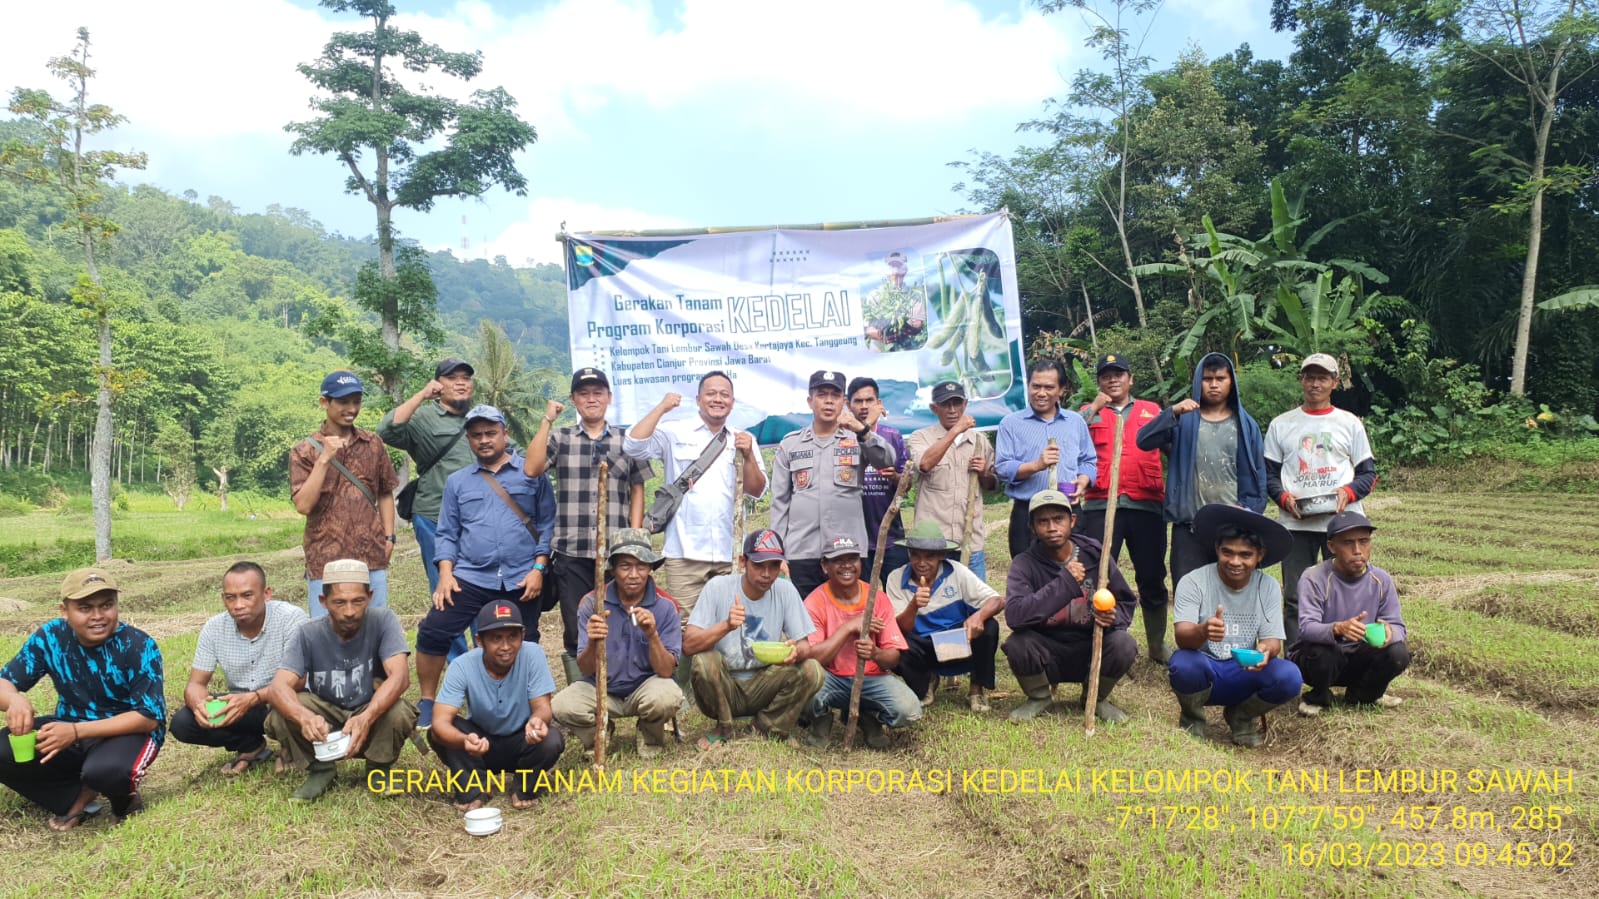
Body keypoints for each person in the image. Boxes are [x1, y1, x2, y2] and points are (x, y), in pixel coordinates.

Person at [421, 405, 555, 731]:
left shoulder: (532, 474)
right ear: (469, 439)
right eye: (476, 435)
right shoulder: (457, 482)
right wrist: (446, 574)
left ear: (504, 434)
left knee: (525, 642)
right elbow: (447, 533)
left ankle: (528, 706)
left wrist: (539, 568)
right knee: (433, 630)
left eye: (490, 433)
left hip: (521, 576)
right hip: (471, 575)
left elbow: (548, 523)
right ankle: (427, 702)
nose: (484, 440)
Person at [0, 568, 164, 830]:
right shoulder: (50, 637)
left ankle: (125, 801)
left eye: (107, 605)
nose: (98, 616)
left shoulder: (138, 645)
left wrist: (76, 731)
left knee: (108, 772)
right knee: (2, 748)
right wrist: (14, 700)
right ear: (64, 611)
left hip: (127, 732)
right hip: (70, 724)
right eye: (85, 608)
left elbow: (148, 718)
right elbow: (4, 682)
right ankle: (76, 796)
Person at [523, 367, 649, 683]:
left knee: (623, 621)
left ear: (609, 397)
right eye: (584, 393)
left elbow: (637, 487)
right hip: (572, 552)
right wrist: (547, 420)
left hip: (617, 554)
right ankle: (584, 698)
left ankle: (624, 687)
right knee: (576, 627)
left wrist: (633, 538)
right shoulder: (561, 438)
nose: (591, 399)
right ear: (574, 399)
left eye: (597, 393)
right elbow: (532, 467)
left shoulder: (627, 440)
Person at [263, 559, 418, 802]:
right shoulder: (308, 633)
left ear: (369, 596)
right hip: (328, 715)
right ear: (323, 602)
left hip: (369, 709)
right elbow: (278, 687)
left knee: (400, 710)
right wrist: (305, 718)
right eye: (339, 602)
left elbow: (400, 677)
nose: (349, 611)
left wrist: (366, 718)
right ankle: (320, 769)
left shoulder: (383, 620)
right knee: (280, 714)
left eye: (357, 601)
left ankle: (379, 768)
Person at [623, 371, 767, 617]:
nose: (718, 399)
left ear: (732, 402)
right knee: (685, 626)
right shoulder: (675, 432)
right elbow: (633, 445)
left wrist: (749, 455)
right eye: (711, 393)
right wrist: (662, 407)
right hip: (684, 553)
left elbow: (757, 490)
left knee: (728, 624)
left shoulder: (744, 439)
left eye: (724, 394)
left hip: (729, 553)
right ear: (699, 399)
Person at [1264, 353, 1377, 647]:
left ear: (1335, 382)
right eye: (1309, 377)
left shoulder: (1349, 423)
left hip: (1342, 526)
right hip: (1295, 523)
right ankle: (1297, 660)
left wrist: (1347, 493)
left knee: (1349, 592)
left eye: (1322, 378)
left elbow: (1368, 474)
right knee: (1294, 596)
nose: (1315, 383)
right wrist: (1284, 497)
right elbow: (1268, 475)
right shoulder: (1281, 424)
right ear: (1301, 380)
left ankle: (1349, 659)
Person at [1167, 504, 1304, 747]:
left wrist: (1266, 651)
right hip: (1206, 669)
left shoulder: (1268, 586)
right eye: (1227, 552)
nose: (1235, 561)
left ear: (1260, 555)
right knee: (1183, 664)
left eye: (1245, 555)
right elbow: (1182, 636)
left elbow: (1273, 641)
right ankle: (1192, 717)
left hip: (1244, 670)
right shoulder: (1193, 581)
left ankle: (1241, 716)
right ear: (1216, 550)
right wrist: (1203, 631)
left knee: (1289, 676)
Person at [1136, 351, 1268, 591]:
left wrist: (1250, 510)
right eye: (1208, 379)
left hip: (1233, 525)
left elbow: (1258, 473)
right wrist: (1172, 412)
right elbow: (1143, 440)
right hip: (1190, 526)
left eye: (1221, 378)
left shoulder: (1246, 425)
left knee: (1233, 595)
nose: (1214, 385)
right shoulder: (1183, 421)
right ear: (1198, 381)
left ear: (1231, 381)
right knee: (1189, 594)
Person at [1002, 491, 1137, 723]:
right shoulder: (1024, 564)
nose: (1052, 527)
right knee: (1017, 644)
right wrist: (1065, 583)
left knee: (1124, 644)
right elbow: (1015, 616)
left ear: (1072, 521)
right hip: (1046, 650)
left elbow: (1126, 601)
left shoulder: (1096, 556)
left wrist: (1112, 619)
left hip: (1090, 647)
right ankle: (1039, 696)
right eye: (1043, 521)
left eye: (1058, 519)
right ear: (1033, 527)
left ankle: (1095, 697)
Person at [378, 357, 481, 660]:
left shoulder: (481, 419)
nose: (461, 382)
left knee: (481, 588)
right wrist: (422, 394)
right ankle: (459, 664)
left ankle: (485, 660)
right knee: (445, 592)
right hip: (433, 516)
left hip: (478, 521)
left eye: (466, 377)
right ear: (439, 384)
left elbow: (513, 454)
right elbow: (386, 430)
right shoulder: (423, 418)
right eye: (452, 378)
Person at [683, 529, 825, 748]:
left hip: (764, 683)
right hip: (725, 685)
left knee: (812, 669)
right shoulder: (718, 588)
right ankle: (724, 727)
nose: (767, 574)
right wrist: (726, 625)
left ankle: (767, 727)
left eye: (774, 566)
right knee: (704, 662)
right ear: (743, 562)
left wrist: (796, 651)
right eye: (759, 565)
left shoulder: (785, 590)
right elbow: (689, 645)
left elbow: (805, 645)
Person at [552, 529, 684, 759]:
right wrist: (593, 642)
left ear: (650, 568)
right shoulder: (592, 603)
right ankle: (600, 732)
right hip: (600, 687)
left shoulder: (666, 606)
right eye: (625, 566)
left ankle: (649, 733)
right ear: (612, 569)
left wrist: (652, 635)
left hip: (646, 687)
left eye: (641, 566)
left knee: (668, 696)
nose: (634, 574)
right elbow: (584, 669)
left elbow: (665, 671)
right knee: (563, 705)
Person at [1075, 354, 1170, 662]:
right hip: (1101, 505)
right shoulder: (1088, 414)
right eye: (1106, 376)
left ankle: (1156, 645)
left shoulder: (1152, 411)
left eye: (1119, 374)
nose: (1112, 380)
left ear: (1131, 379)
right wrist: (1094, 407)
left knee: (1152, 575)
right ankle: (1099, 638)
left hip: (1146, 506)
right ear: (1099, 381)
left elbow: (1175, 449)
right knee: (1099, 573)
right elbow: (1071, 436)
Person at [170, 562, 307, 774]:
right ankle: (250, 745)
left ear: (266, 594)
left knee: (300, 703)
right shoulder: (214, 628)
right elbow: (196, 684)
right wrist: (200, 706)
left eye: (247, 595)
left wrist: (253, 698)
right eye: (230, 597)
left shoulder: (291, 618)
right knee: (183, 723)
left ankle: (292, 747)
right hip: (239, 705)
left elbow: (299, 680)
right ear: (223, 599)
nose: (238, 605)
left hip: (283, 700)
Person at [428, 601, 564, 811]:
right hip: (479, 745)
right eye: (496, 638)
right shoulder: (461, 666)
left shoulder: (533, 654)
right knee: (439, 733)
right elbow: (439, 722)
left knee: (551, 739)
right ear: (479, 640)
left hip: (522, 740)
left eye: (512, 636)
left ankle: (524, 785)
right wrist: (464, 740)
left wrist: (537, 721)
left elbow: (543, 707)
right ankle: (476, 787)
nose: (506, 646)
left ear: (522, 635)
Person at [772, 370, 896, 599]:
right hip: (802, 551)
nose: (829, 401)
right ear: (810, 401)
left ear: (844, 403)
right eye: (822, 394)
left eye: (835, 395)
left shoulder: (857, 438)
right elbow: (780, 503)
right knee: (805, 624)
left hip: (847, 551)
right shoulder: (791, 444)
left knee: (850, 619)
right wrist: (777, 552)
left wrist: (862, 429)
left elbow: (887, 459)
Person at [290, 370, 400, 616]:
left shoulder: (373, 444)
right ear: (324, 403)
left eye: (356, 401)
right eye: (343, 402)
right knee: (325, 634)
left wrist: (389, 537)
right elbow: (303, 505)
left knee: (375, 628)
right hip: (324, 560)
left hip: (371, 555)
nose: (351, 408)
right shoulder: (304, 451)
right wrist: (324, 460)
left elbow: (384, 492)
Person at [802, 536, 918, 749]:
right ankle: (821, 720)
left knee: (909, 711)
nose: (846, 565)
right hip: (831, 679)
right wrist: (848, 628)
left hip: (871, 678)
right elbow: (813, 657)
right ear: (824, 566)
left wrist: (875, 653)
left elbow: (894, 657)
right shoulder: (814, 601)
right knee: (804, 677)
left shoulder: (877, 598)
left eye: (852, 559)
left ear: (860, 563)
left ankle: (868, 715)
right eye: (838, 560)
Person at [1290, 511, 1410, 716]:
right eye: (1348, 543)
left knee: (1398, 653)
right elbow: (1306, 627)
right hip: (1321, 659)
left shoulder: (1381, 579)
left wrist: (1390, 633)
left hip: (1359, 655)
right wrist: (1337, 628)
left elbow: (1398, 627)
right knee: (1322, 652)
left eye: (1364, 542)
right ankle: (1318, 695)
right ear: (1332, 547)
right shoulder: (1314, 577)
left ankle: (1363, 695)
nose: (1357, 550)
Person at [885, 521, 1005, 712]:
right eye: (915, 555)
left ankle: (976, 689)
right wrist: (914, 605)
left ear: (942, 555)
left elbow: (997, 600)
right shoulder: (895, 578)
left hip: (958, 642)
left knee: (989, 626)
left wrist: (978, 617)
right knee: (896, 643)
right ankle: (926, 682)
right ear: (909, 554)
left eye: (929, 556)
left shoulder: (956, 572)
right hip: (923, 647)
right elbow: (900, 629)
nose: (921, 563)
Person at [995, 359, 1096, 559]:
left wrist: (1083, 481)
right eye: (1036, 386)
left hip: (1068, 509)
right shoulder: (1011, 424)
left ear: (1061, 390)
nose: (1041, 393)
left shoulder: (1075, 422)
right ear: (1028, 386)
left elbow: (1088, 461)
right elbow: (1002, 468)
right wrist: (1037, 465)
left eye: (1049, 387)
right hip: (1028, 512)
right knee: (1027, 574)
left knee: (1074, 571)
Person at [907, 380, 997, 579]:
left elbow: (991, 486)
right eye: (946, 404)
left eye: (957, 404)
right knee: (932, 602)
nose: (952, 410)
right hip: (933, 545)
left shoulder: (979, 441)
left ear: (965, 405)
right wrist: (956, 430)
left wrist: (984, 473)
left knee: (975, 604)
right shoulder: (920, 437)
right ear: (934, 408)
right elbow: (924, 464)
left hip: (970, 542)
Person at [847, 376, 910, 585]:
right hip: (855, 540)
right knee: (861, 601)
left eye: (869, 400)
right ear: (848, 406)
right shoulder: (842, 438)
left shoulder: (892, 436)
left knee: (898, 597)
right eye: (858, 401)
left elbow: (907, 485)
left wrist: (895, 477)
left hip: (892, 537)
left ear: (879, 404)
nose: (864, 406)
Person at [862, 251, 926, 352]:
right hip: (879, 353)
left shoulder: (914, 295)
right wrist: (882, 335)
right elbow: (866, 327)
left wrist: (905, 330)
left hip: (906, 350)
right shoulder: (875, 295)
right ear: (886, 272)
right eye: (892, 267)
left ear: (905, 270)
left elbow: (918, 324)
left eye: (898, 267)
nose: (895, 272)